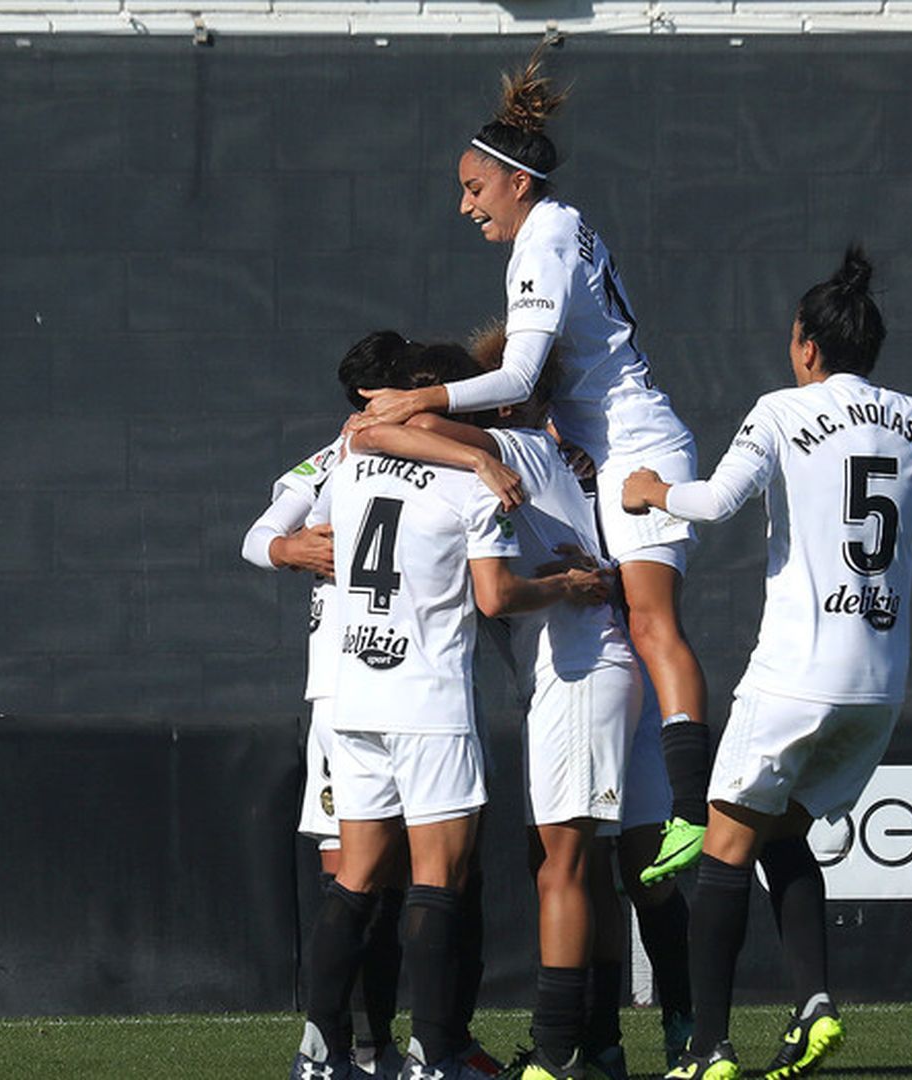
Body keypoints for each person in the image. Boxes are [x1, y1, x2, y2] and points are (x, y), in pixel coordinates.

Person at [621, 249, 912, 1080]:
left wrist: (649, 491)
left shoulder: (784, 411)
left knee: (723, 847)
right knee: (782, 832)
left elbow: (715, 500)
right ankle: (816, 1002)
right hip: (878, 687)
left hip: (796, 673)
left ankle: (710, 1051)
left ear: (806, 347)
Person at [350, 49, 716, 886]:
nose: (465, 204)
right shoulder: (565, 224)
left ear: (517, 181)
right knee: (636, 620)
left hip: (641, 451)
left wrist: (417, 402)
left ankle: (694, 813)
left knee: (654, 623)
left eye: (474, 188)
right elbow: (563, 376)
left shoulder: (542, 241)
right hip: (620, 443)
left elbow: (517, 378)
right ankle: (680, 810)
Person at [352, 325, 698, 1077]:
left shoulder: (517, 449)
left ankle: (555, 1053)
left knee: (561, 866)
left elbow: (376, 431)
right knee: (598, 865)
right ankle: (603, 1044)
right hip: (598, 665)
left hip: (579, 671)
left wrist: (445, 428)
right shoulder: (548, 460)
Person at [291, 342, 610, 1080]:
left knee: (357, 879)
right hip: (427, 695)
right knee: (441, 878)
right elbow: (496, 597)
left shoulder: (355, 463)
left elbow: (364, 440)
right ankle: (434, 1053)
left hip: (354, 694)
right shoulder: (478, 485)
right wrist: (562, 584)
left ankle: (321, 1051)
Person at [244, 331, 412, 1077]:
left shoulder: (436, 458)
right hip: (341, 693)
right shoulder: (331, 460)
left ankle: (377, 1045)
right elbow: (257, 537)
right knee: (352, 875)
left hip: (409, 691)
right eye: (369, 397)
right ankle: (329, 1045)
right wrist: (290, 550)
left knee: (399, 879)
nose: (375, 408)